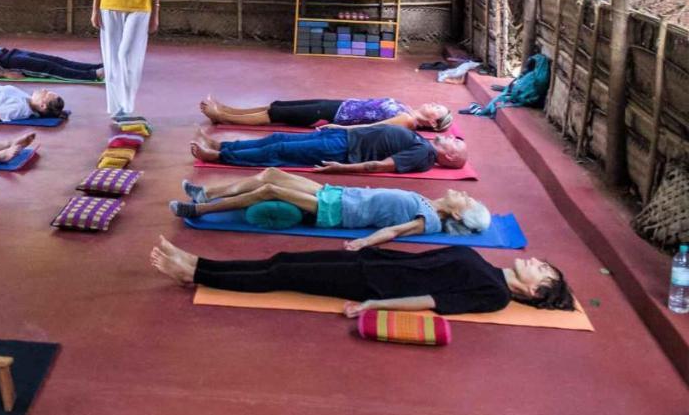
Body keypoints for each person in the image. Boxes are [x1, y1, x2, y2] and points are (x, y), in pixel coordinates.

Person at [150, 236, 573, 316]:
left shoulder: (494, 294)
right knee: (283, 258)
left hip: (372, 284)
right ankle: (199, 263)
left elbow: (433, 302)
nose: (535, 259)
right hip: (376, 263)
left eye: (542, 269)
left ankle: (195, 274)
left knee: (280, 273)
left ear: (535, 291)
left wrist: (375, 305)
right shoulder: (489, 265)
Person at [170, 168, 492, 248]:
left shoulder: (431, 220)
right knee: (271, 175)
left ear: (460, 215)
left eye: (469, 200)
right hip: (340, 194)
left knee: (269, 190)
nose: (465, 194)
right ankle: (205, 192)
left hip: (339, 213)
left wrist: (364, 242)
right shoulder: (431, 203)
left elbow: (396, 230)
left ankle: (199, 211)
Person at [189, 124, 467, 173]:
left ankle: (220, 156)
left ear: (450, 155)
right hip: (343, 137)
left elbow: (381, 166)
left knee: (280, 151)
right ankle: (224, 145)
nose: (452, 138)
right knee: (277, 138)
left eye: (455, 143)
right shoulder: (423, 143)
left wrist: (344, 169)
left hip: (343, 151)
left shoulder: (425, 155)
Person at [199, 95, 453, 132]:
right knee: (278, 105)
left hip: (332, 116)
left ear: (432, 121)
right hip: (336, 104)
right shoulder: (408, 109)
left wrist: (339, 129)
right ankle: (226, 110)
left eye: (436, 109)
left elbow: (373, 129)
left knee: (275, 114)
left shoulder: (407, 120)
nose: (432, 104)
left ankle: (223, 117)